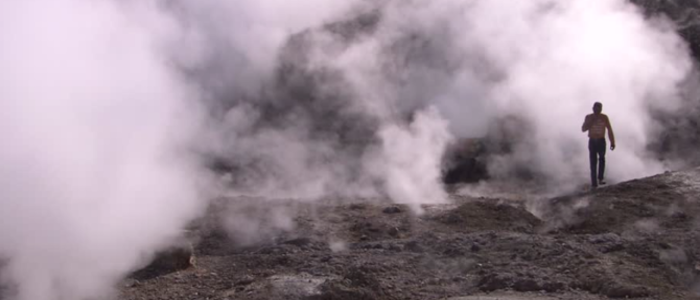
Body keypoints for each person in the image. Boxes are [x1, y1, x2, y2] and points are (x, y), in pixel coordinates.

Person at [581, 102, 615, 188]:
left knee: (602, 159)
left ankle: (600, 178)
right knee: (593, 161)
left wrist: (612, 142)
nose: (597, 110)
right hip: (592, 141)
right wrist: (591, 122)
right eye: (595, 108)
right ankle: (594, 182)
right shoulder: (589, 117)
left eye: (599, 108)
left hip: (601, 140)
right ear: (593, 108)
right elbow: (583, 129)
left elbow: (609, 129)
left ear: (601, 109)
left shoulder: (604, 117)